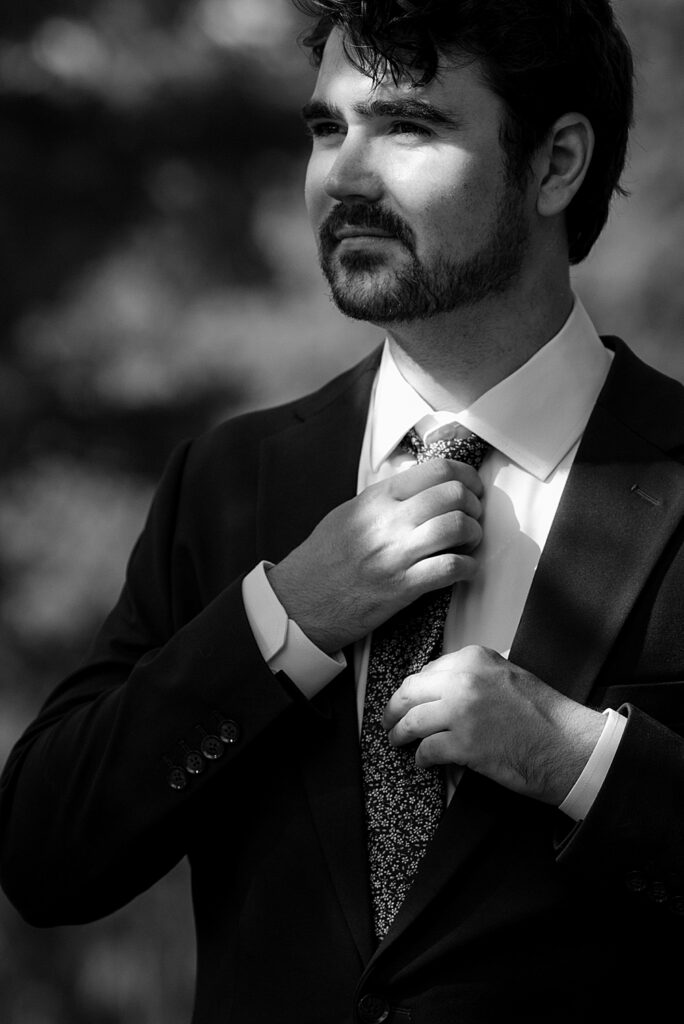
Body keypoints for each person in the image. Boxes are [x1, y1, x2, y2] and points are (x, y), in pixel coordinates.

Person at [2, 1, 683, 1021]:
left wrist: (581, 757)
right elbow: (47, 854)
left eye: (407, 125)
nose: (344, 177)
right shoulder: (229, 482)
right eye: (328, 128)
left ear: (557, 164)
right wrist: (284, 622)